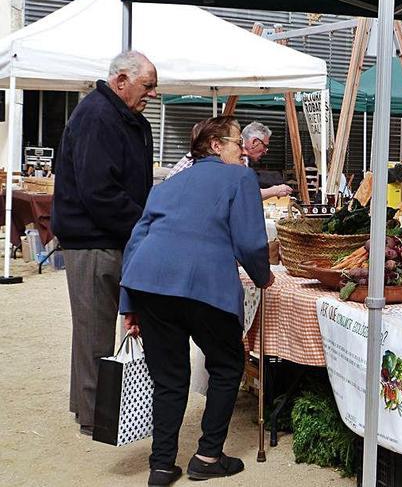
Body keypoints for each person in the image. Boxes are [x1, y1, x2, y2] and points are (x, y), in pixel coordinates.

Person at [120, 116, 274, 485]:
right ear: (216, 146)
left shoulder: (167, 186)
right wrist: (262, 275)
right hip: (206, 285)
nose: (244, 152)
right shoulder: (239, 178)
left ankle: (161, 465)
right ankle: (207, 456)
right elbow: (252, 242)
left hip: (151, 284)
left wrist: (129, 303)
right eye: (239, 143)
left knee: (168, 377)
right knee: (226, 365)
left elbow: (136, 242)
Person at [51, 50, 157, 436]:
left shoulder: (120, 115)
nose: (153, 94)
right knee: (94, 328)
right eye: (148, 86)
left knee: (96, 328)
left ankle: (92, 410)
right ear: (122, 81)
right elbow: (99, 191)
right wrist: (144, 224)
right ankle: (94, 416)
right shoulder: (98, 116)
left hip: (108, 236)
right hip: (94, 240)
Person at [165, 121, 291, 200]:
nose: (266, 151)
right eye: (237, 142)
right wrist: (274, 190)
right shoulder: (218, 161)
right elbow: (244, 195)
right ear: (216, 146)